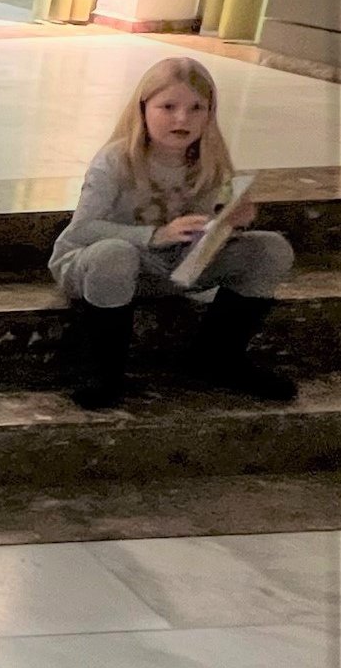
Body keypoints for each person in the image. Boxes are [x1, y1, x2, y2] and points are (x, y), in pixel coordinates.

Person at [50, 57, 296, 408]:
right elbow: (84, 229)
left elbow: (210, 223)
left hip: (176, 266)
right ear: (143, 109)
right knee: (115, 254)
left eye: (196, 108)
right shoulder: (115, 159)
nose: (182, 119)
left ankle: (218, 357)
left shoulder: (212, 161)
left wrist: (230, 221)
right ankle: (104, 372)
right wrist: (156, 234)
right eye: (168, 107)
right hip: (99, 267)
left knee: (271, 248)